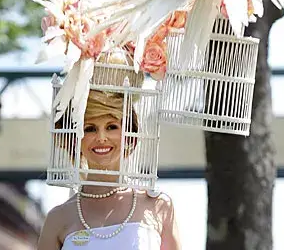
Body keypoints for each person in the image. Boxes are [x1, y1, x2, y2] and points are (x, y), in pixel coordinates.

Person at [38, 57, 182, 250]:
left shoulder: (159, 206)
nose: (101, 137)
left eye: (111, 126)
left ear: (129, 135)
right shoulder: (58, 218)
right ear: (75, 139)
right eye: (89, 128)